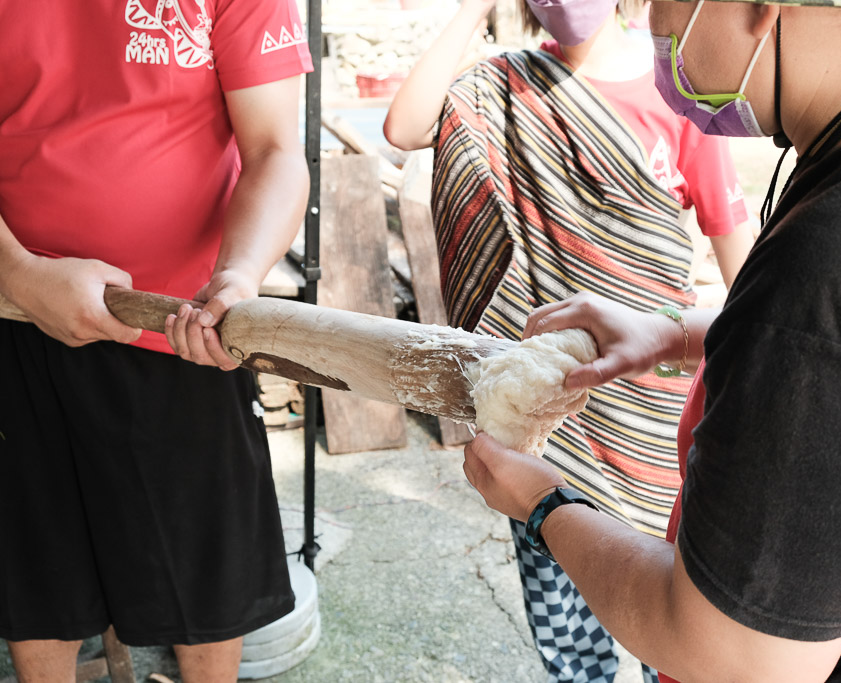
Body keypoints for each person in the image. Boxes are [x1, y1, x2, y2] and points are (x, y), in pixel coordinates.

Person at [462, 0, 841, 681]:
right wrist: (675, 333)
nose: (651, 22)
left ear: (759, 7)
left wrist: (544, 501)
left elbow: (730, 656)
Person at [385, 0, 753, 680]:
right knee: (567, 628)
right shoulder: (502, 86)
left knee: (665, 625)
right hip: (546, 413)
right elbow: (404, 125)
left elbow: (749, 279)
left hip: (653, 422)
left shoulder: (680, 94)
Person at [0, 2, 312, 681]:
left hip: (183, 330)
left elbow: (276, 151)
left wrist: (239, 274)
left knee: (203, 587)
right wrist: (20, 275)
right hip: (11, 318)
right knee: (33, 581)